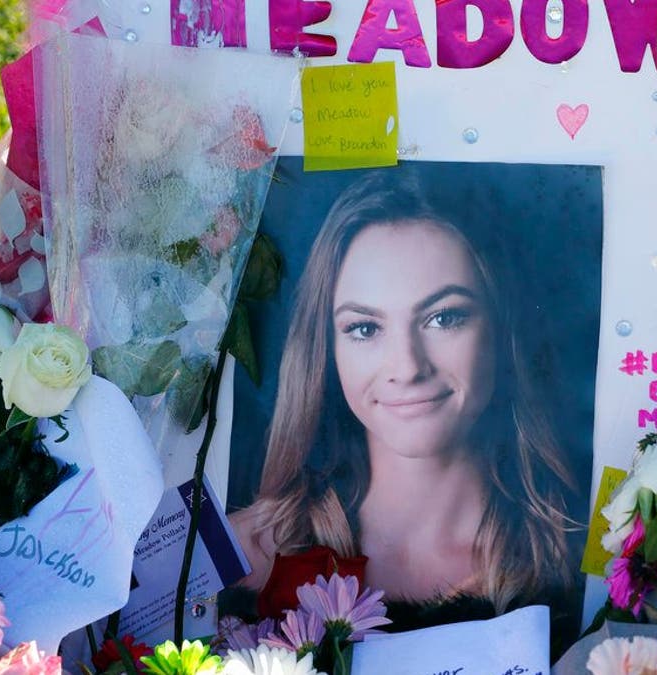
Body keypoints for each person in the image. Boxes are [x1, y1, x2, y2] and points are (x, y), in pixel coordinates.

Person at [230, 166, 580, 625]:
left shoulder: (584, 559)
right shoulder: (239, 557)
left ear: (502, 330)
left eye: (444, 318)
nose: (408, 367)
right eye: (364, 328)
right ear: (325, 349)